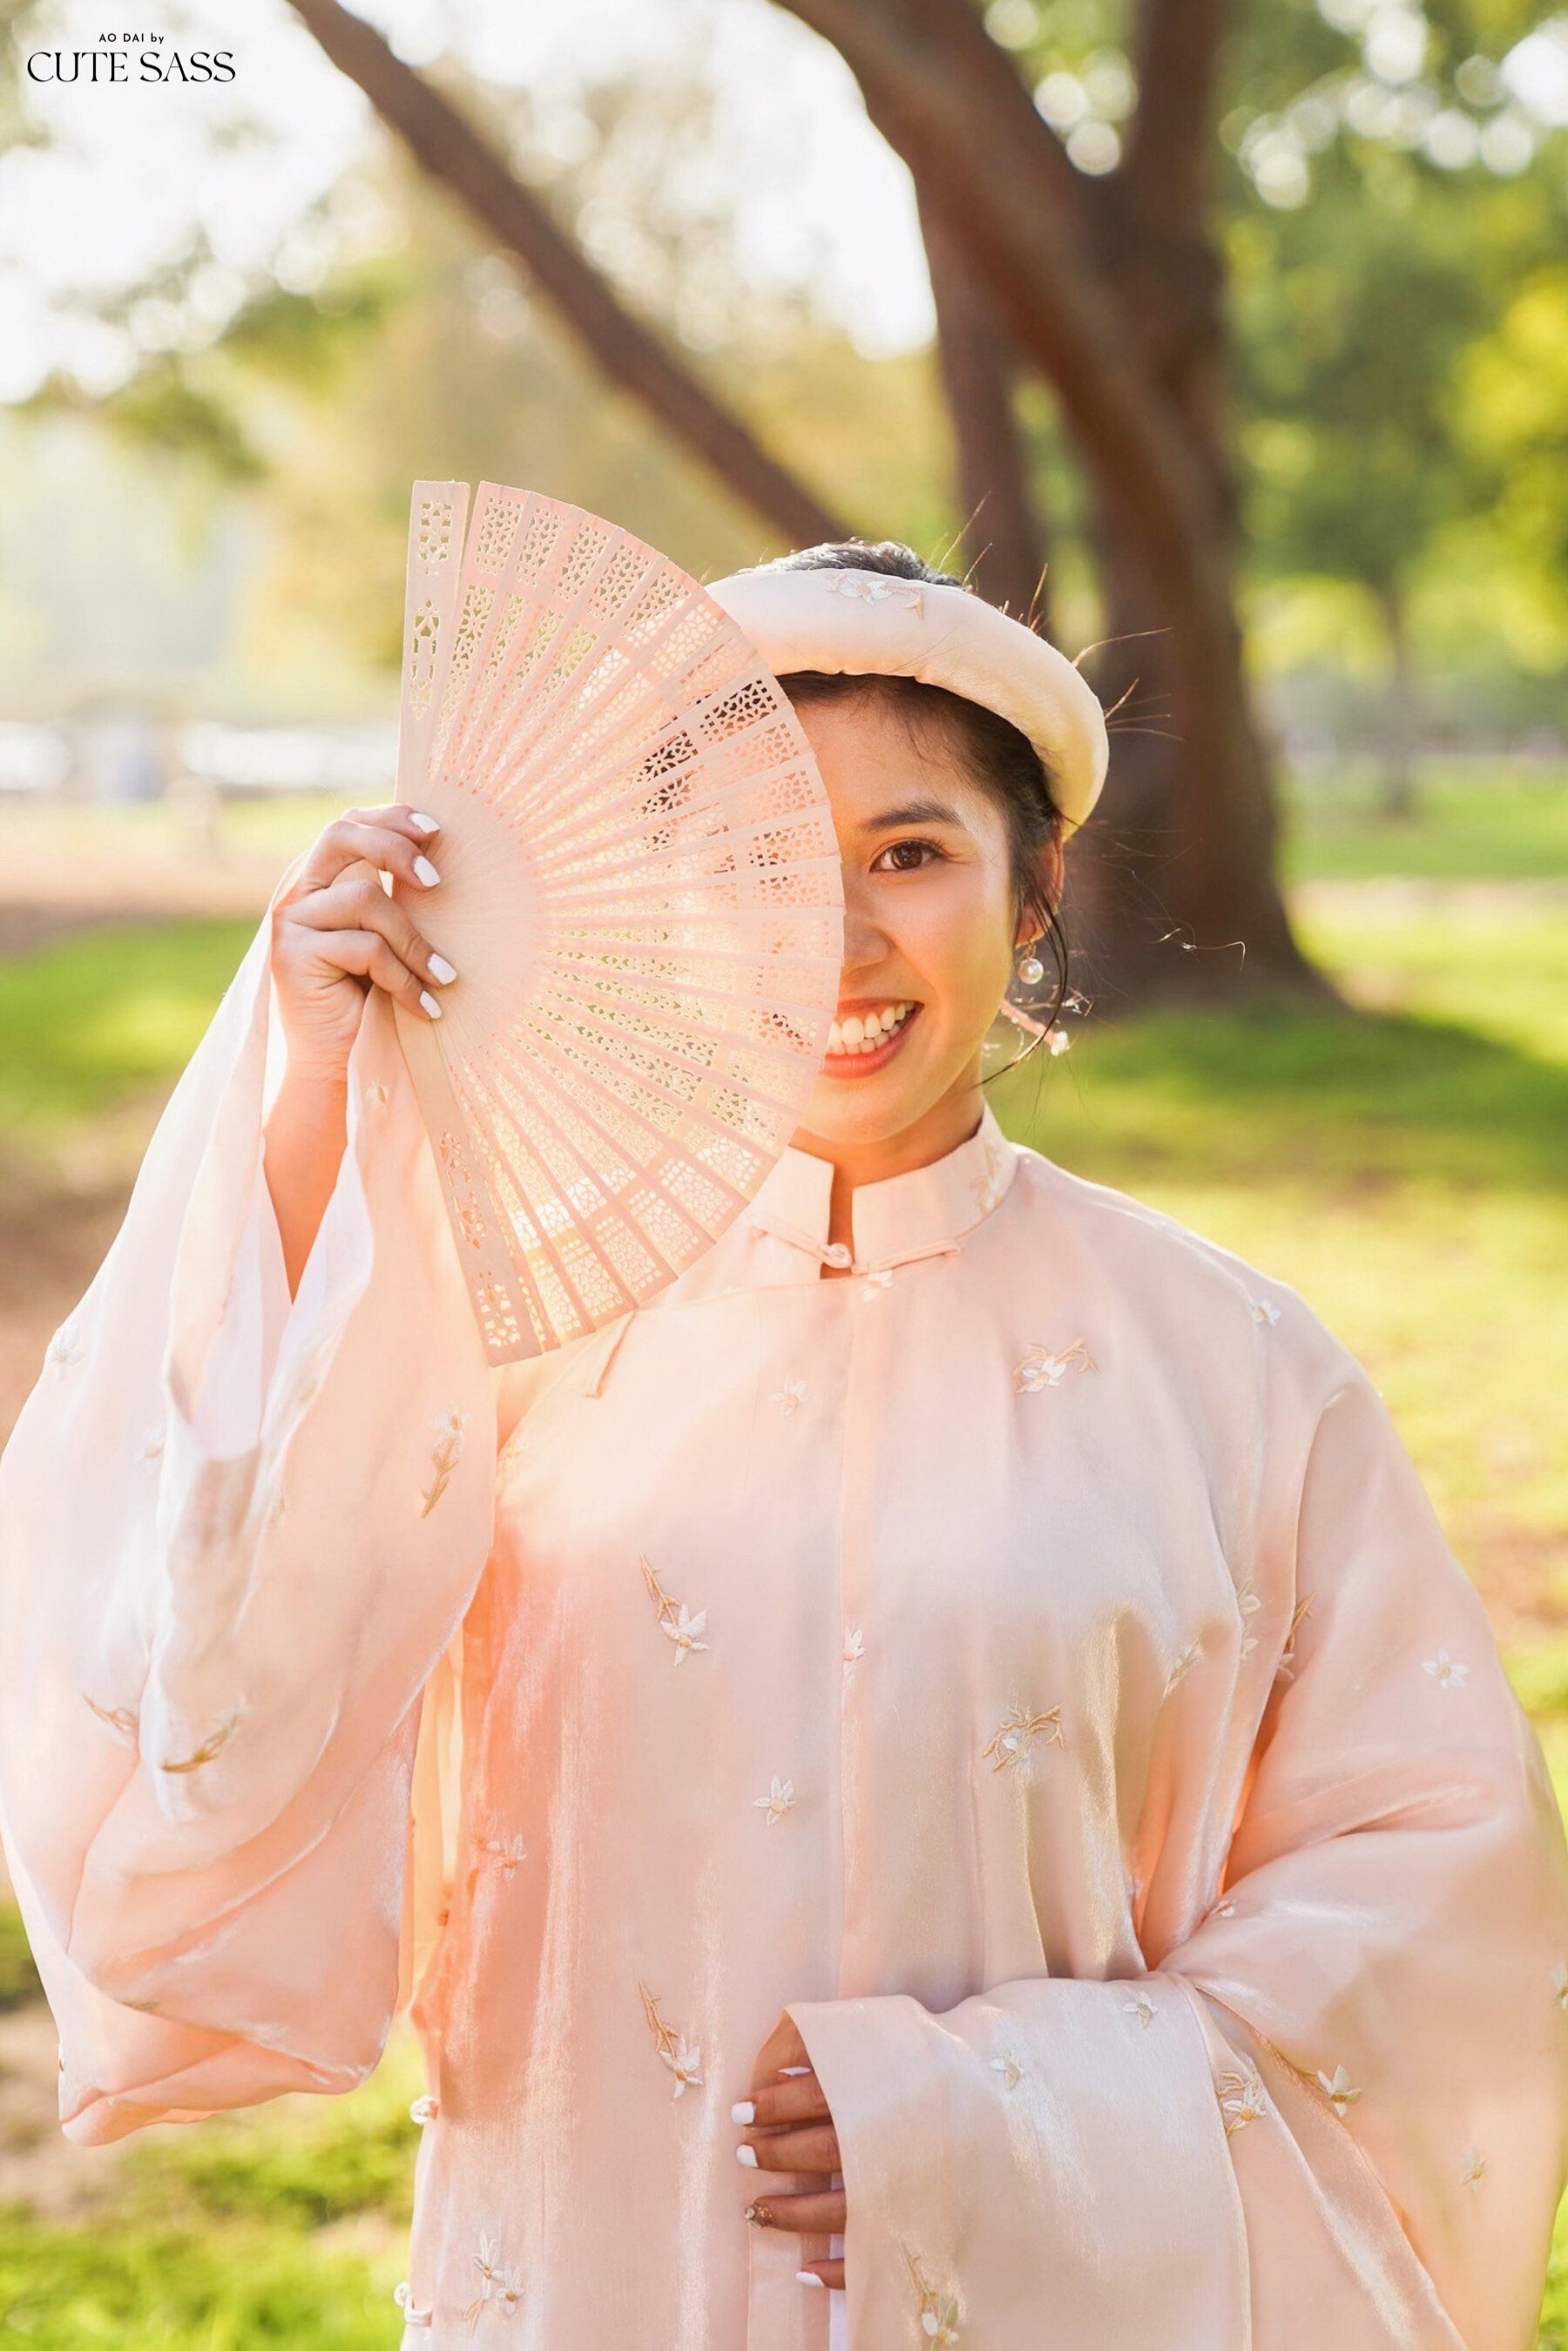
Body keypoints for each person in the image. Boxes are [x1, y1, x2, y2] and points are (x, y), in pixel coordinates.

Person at [1, 538, 1565, 2351]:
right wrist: (312, 1110)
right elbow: (222, 1678)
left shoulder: (1233, 1369)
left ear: (1035, 888)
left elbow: (1429, 1888)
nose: (833, 936)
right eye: (752, 864)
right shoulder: (499, 1312)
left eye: (911, 853)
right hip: (578, 2270)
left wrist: (996, 2117)